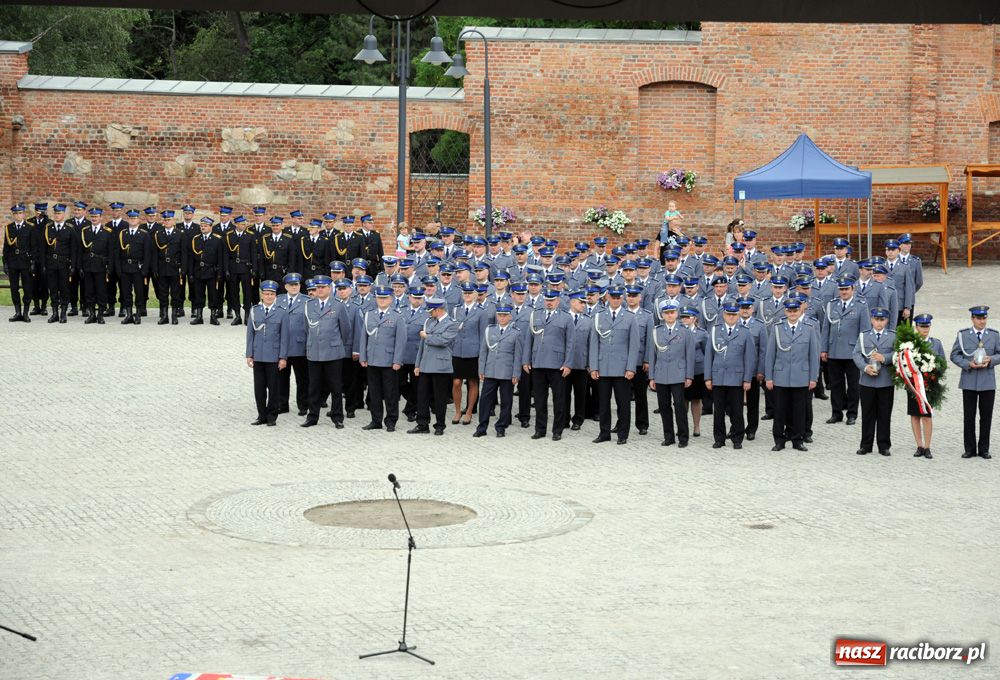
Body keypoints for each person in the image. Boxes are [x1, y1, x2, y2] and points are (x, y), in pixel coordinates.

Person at [764, 299, 819, 451]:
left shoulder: (808, 328)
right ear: (785, 311)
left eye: (795, 310)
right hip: (781, 376)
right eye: (790, 311)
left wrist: (813, 378)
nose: (793, 313)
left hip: (801, 376)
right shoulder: (777, 328)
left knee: (799, 411)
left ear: (800, 311)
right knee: (780, 411)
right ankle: (779, 440)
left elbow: (813, 356)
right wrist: (769, 377)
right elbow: (770, 355)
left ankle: (797, 439)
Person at [589, 286, 640, 445]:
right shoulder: (598, 316)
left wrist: (631, 367)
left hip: (622, 368)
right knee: (603, 403)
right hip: (603, 367)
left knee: (623, 403)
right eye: (613, 297)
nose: (616, 300)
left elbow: (634, 345)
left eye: (618, 297)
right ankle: (604, 433)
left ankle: (623, 434)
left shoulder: (630, 318)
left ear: (622, 298)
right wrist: (593, 366)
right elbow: (594, 344)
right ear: (608, 298)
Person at [302, 275, 354, 429]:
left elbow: (345, 329)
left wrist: (335, 343)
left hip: (333, 352)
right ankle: (312, 417)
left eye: (323, 287)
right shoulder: (309, 305)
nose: (319, 290)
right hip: (315, 352)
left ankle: (337, 417)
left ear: (330, 288)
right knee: (314, 387)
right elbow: (307, 328)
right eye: (317, 287)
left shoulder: (338, 305)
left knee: (335, 387)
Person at [704, 301, 756, 449]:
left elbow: (749, 358)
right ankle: (719, 439)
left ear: (738, 315)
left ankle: (737, 438)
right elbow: (709, 355)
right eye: (728, 314)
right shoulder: (715, 330)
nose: (731, 317)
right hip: (718, 377)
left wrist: (747, 379)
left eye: (734, 314)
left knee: (737, 410)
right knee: (718, 410)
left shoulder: (745, 332)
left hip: (736, 378)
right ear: (723, 314)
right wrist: (708, 377)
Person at [524, 289, 574, 441]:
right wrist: (526, 360)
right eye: (547, 300)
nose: (549, 302)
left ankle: (557, 430)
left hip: (557, 364)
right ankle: (540, 429)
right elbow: (529, 339)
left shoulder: (566, 317)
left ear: (558, 300)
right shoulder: (536, 315)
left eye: (552, 300)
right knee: (539, 399)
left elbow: (570, 343)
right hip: (538, 362)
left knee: (559, 399)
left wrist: (568, 364)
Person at [950, 305, 998, 459]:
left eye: (984, 318)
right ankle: (969, 449)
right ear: (972, 319)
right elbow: (954, 355)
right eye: (979, 318)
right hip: (969, 380)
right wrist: (967, 364)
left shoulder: (994, 335)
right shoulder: (963, 335)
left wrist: (991, 360)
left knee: (986, 417)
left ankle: (984, 449)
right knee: (969, 417)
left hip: (987, 381)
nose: (982, 321)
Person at [821, 277, 870, 425]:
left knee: (853, 385)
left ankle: (852, 414)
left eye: (846, 289)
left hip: (852, 352)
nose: (843, 292)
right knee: (836, 385)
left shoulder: (861, 306)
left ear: (853, 289)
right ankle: (836, 413)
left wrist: (862, 352)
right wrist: (824, 349)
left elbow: (864, 331)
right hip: (834, 350)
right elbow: (826, 329)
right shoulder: (832, 305)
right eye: (841, 289)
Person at [647, 302, 695, 447]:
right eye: (666, 313)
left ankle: (683, 437)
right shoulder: (656, 331)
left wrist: (689, 376)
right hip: (661, 373)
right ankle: (668, 436)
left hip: (678, 373)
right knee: (664, 406)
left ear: (677, 314)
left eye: (672, 312)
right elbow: (652, 355)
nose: (669, 315)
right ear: (662, 315)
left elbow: (690, 355)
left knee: (679, 406)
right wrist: (652, 376)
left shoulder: (685, 331)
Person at [359, 287, 407, 431]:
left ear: (391, 299)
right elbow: (363, 337)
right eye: (379, 298)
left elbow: (401, 341)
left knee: (390, 393)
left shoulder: (397, 316)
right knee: (374, 393)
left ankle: (391, 421)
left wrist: (397, 360)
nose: (382, 300)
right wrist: (363, 356)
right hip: (372, 359)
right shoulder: (369, 315)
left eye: (385, 298)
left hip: (389, 361)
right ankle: (376, 420)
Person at [410, 296, 459, 435]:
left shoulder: (452, 323)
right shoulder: (429, 321)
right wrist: (418, 364)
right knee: (422, 396)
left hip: (440, 365)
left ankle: (440, 425)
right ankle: (422, 424)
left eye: (431, 311)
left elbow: (443, 341)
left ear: (438, 310)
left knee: (439, 398)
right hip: (426, 364)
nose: (429, 313)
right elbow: (422, 345)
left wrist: (427, 336)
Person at [245, 280, 289, 426]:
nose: (269, 297)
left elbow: (284, 337)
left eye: (272, 294)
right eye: (266, 294)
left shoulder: (282, 312)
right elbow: (250, 334)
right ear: (262, 295)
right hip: (258, 355)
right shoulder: (254, 311)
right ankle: (261, 415)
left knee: (273, 388)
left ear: (275, 296)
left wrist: (283, 357)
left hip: (273, 356)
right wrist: (249, 354)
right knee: (259, 388)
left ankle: (272, 416)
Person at [475, 305, 523, 438]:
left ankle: (501, 427)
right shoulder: (489, 330)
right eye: (500, 315)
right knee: (485, 400)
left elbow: (518, 355)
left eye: (504, 315)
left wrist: (516, 373)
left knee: (506, 401)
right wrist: (481, 369)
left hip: (507, 372)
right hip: (490, 370)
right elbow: (483, 351)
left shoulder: (516, 332)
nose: (502, 318)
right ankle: (482, 427)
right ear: (496, 316)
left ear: (510, 316)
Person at [853, 308, 896, 456]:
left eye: (882, 320)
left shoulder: (892, 336)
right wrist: (865, 368)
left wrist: (884, 358)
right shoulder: (864, 336)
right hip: (867, 381)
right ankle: (866, 445)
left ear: (887, 321)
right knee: (867, 414)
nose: (879, 323)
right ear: (871, 320)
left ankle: (884, 445)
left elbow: (897, 353)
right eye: (876, 319)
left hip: (885, 381)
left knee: (884, 414)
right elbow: (856, 354)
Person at [908, 314, 945, 459]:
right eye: (922, 326)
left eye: (927, 326)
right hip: (913, 385)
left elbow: (943, 363)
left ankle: (928, 447)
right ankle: (919, 446)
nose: (925, 329)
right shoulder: (909, 345)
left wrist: (935, 372)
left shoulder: (936, 343)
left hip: (929, 386)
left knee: (927, 416)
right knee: (915, 415)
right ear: (916, 327)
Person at [450, 283, 487, 425]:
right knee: (456, 382)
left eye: (470, 293)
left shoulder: (481, 312)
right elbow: (452, 330)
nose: (467, 295)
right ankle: (457, 411)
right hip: (457, 350)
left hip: (473, 352)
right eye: (465, 293)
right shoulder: (456, 310)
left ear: (475, 295)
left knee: (472, 382)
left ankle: (470, 411)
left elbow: (483, 335)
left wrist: (482, 355)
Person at [277, 273, 310, 416]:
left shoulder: (307, 301)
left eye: (296, 284)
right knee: (282, 378)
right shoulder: (278, 300)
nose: (294, 287)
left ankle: (303, 405)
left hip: (299, 346)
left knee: (302, 379)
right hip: (282, 347)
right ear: (286, 287)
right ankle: (282, 404)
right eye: (291, 285)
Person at [185, 218, 226, 326]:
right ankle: (199, 317)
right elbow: (191, 258)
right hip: (198, 271)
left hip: (212, 271)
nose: (203, 228)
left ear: (211, 227)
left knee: (213, 294)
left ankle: (213, 316)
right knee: (198, 294)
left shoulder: (218, 239)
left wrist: (220, 273)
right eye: (202, 226)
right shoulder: (195, 239)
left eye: (205, 226)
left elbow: (221, 258)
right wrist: (190, 273)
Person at [43, 204, 79, 324]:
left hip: (64, 263)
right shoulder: (48, 228)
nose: (57, 215)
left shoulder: (70, 229)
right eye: (55, 213)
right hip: (51, 263)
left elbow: (74, 249)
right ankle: (55, 313)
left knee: (64, 289)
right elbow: (43, 248)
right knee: (52, 288)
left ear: (64, 214)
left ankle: (63, 312)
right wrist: (43, 264)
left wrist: (73, 266)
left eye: (59, 213)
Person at [78, 208, 113, 324]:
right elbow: (80, 250)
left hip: (101, 266)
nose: (94, 218)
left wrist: (109, 267)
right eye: (92, 216)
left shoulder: (107, 232)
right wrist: (80, 266)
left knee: (101, 291)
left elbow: (111, 251)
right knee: (89, 291)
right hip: (87, 265)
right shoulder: (85, 231)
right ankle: (92, 314)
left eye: (96, 216)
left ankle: (100, 314)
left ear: (101, 217)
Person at [3, 203, 37, 323]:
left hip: (25, 261)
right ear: (13, 215)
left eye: (20, 213)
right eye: (16, 213)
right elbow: (6, 247)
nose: (18, 215)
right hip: (13, 261)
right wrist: (5, 263)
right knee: (14, 288)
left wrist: (33, 262)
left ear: (24, 214)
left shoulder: (30, 227)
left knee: (27, 288)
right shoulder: (9, 228)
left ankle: (25, 313)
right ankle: (17, 312)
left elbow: (34, 247)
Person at [151, 210, 185, 325]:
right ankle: (164, 316)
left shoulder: (180, 234)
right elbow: (154, 253)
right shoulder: (158, 234)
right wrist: (155, 268)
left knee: (175, 293)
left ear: (173, 221)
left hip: (175, 267)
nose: (167, 222)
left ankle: (174, 315)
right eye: (165, 220)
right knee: (163, 293)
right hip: (162, 267)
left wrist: (183, 268)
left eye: (169, 219)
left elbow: (183, 253)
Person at [224, 216, 257, 325]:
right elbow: (226, 254)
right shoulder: (229, 235)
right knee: (234, 292)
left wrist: (254, 269)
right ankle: (237, 315)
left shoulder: (250, 236)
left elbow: (253, 254)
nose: (244, 225)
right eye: (242, 224)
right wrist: (226, 269)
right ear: (236, 224)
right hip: (233, 267)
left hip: (245, 267)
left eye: (245, 223)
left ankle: (247, 314)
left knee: (247, 292)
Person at [680, 307, 708, 437]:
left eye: (688, 317)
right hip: (681, 369)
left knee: (696, 399)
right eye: (683, 317)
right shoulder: (678, 331)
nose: (685, 319)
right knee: (682, 400)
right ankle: (682, 426)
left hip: (697, 370)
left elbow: (706, 352)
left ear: (695, 318)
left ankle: (697, 427)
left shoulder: (702, 333)